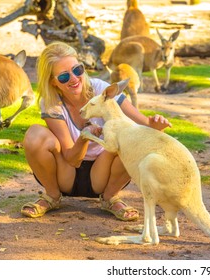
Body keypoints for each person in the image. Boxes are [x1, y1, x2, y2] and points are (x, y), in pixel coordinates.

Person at [21, 41, 171, 221]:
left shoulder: (101, 89)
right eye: (63, 77)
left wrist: (155, 125)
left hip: (103, 172)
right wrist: (85, 137)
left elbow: (144, 123)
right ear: (53, 82)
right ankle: (52, 196)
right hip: (66, 172)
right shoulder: (52, 102)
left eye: (77, 70)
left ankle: (110, 197)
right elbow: (72, 158)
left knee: (134, 138)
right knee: (35, 134)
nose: (74, 79)